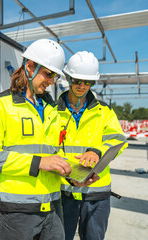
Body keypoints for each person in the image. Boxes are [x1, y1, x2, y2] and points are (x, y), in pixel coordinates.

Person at [0, 39, 74, 240]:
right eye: (48, 74)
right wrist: (39, 162)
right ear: (30, 66)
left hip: (53, 206)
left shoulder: (53, 109)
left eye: (55, 76)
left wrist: (71, 173)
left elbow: (55, 153)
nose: (51, 81)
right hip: (17, 212)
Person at [58, 51, 128, 240]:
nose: (82, 86)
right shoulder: (53, 111)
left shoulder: (104, 110)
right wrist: (68, 175)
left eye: (88, 82)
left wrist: (98, 152)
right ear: (67, 77)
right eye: (77, 80)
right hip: (64, 192)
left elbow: (118, 140)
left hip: (96, 194)